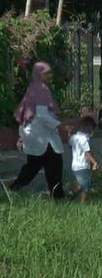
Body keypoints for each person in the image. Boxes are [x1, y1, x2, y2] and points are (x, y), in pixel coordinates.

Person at [10, 62, 67, 199]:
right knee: (54, 165)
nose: (50, 76)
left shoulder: (33, 88)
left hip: (35, 135)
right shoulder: (41, 89)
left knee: (34, 166)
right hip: (42, 135)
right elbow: (42, 115)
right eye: (47, 73)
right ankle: (58, 196)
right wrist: (59, 125)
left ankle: (14, 189)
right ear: (40, 74)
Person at [68, 117, 100, 203]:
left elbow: (69, 141)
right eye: (92, 129)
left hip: (75, 166)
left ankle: (71, 194)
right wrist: (95, 163)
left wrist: (69, 132)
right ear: (88, 128)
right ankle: (82, 204)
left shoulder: (75, 137)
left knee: (85, 184)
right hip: (83, 166)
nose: (93, 131)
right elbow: (88, 153)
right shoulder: (84, 140)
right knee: (86, 187)